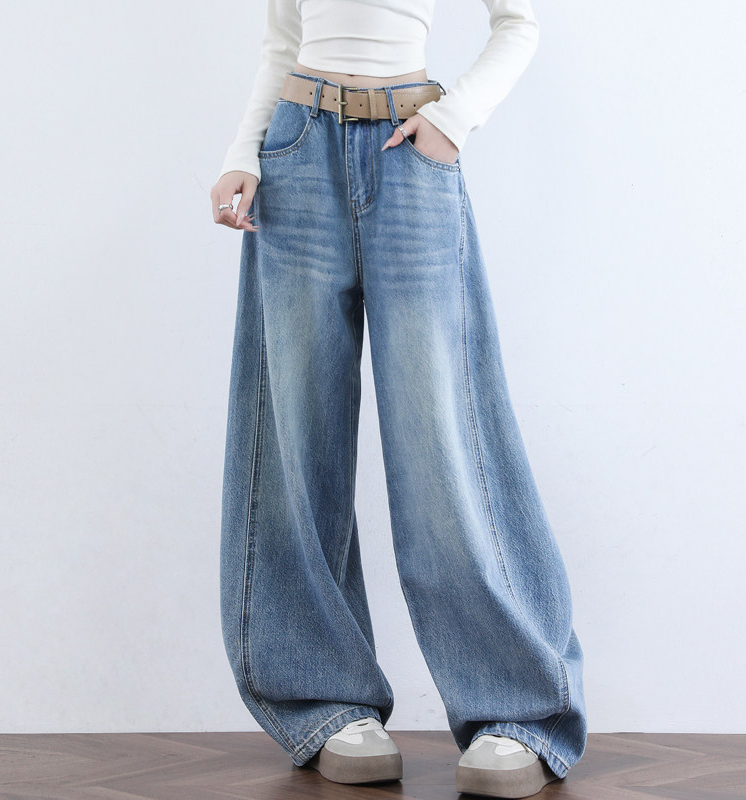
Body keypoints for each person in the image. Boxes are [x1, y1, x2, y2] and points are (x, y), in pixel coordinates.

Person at [210, 0, 588, 796]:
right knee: (294, 440)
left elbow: (518, 22)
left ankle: (515, 707)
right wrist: (244, 151)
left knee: (441, 439)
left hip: (412, 144)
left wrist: (454, 118)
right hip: (295, 147)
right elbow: (283, 40)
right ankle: (323, 701)